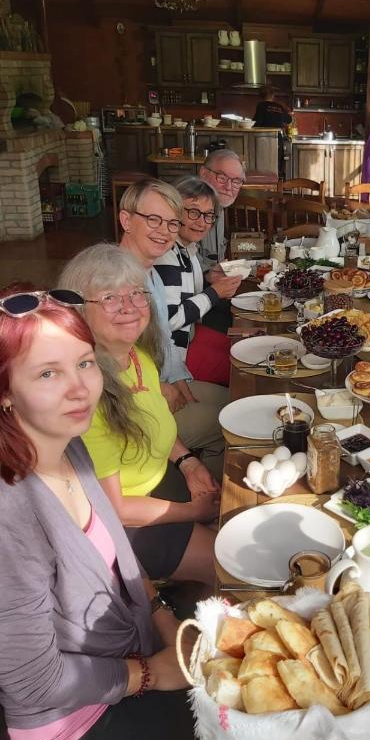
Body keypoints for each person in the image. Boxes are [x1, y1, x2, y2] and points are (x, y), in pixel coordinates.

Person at [0, 286, 195, 740]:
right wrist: (151, 673)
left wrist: (164, 619)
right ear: (5, 391)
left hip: (131, 651)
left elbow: (117, 558)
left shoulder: (69, 444)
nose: (80, 388)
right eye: (48, 373)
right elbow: (33, 680)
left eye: (84, 364)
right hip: (74, 725)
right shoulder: (10, 513)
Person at [59, 244, 220, 583]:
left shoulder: (136, 356)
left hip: (165, 484)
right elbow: (115, 509)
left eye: (136, 293)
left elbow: (159, 424)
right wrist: (192, 511)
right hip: (133, 524)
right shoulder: (87, 395)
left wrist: (188, 462)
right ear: (79, 311)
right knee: (235, 566)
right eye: (109, 298)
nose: (130, 307)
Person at [118, 178, 227, 480]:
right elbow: (112, 367)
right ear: (126, 220)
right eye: (153, 220)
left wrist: (177, 381)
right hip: (137, 414)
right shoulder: (116, 282)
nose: (164, 231)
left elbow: (163, 339)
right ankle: (204, 498)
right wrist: (161, 388)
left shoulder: (147, 270)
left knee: (235, 401)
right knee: (230, 422)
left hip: (161, 382)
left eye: (170, 223)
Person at [154, 176, 242, 384]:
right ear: (174, 211)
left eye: (209, 215)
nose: (202, 222)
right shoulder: (166, 254)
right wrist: (214, 294)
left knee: (243, 348)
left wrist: (208, 278)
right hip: (175, 355)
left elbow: (179, 289)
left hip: (193, 334)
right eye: (193, 212)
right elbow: (170, 319)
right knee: (244, 369)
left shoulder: (185, 248)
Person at [197, 148, 246, 269]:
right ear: (203, 174)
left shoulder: (219, 205)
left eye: (236, 181)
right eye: (222, 178)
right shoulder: (190, 210)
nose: (228, 187)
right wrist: (208, 276)